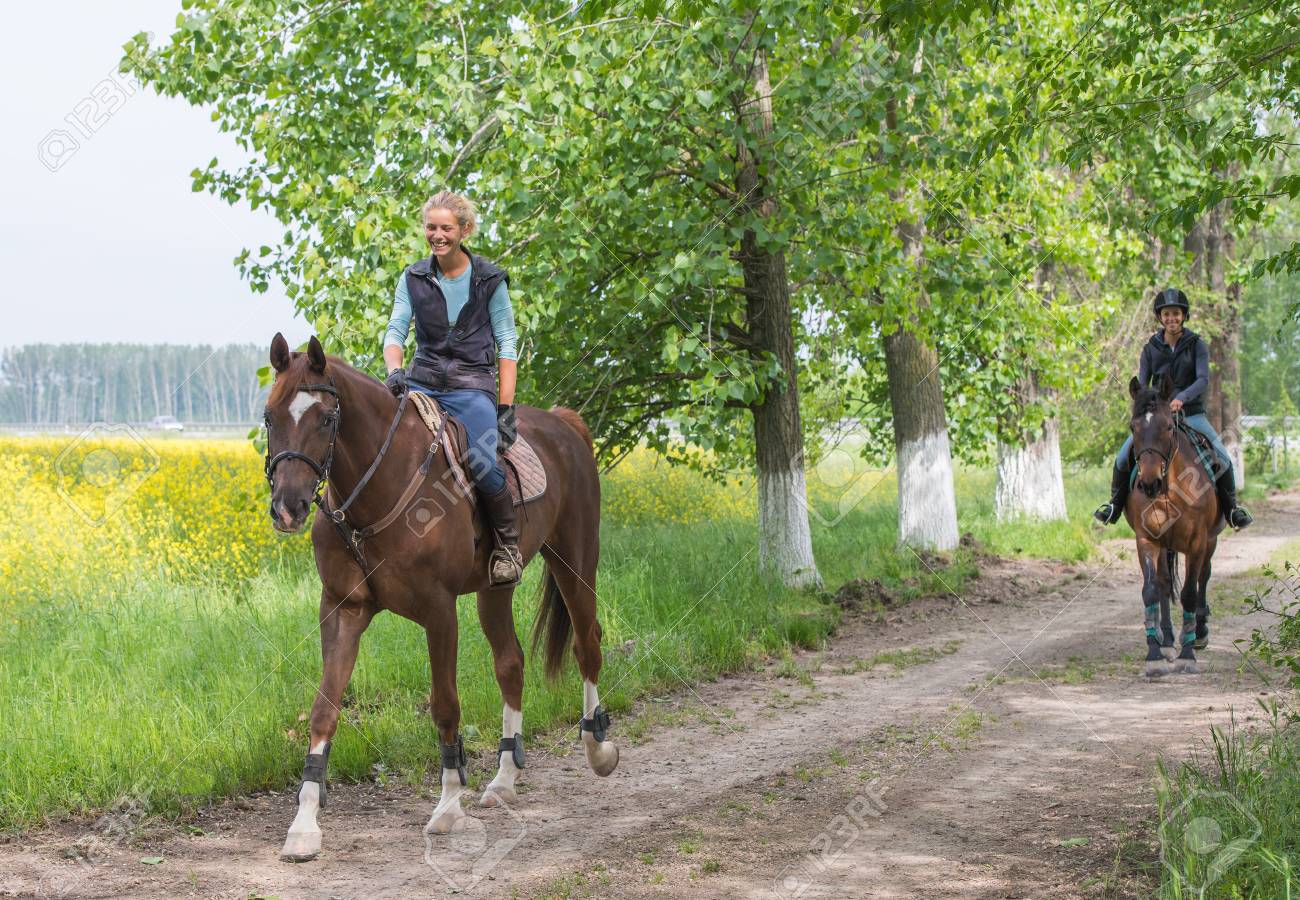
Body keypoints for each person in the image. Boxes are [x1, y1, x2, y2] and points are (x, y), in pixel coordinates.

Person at [383, 191, 524, 585]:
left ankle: (508, 547)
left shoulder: (490, 281)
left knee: (483, 462)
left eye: (446, 228)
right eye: (431, 227)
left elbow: (507, 345)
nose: (437, 235)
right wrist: (395, 370)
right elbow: (395, 331)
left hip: (471, 388)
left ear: (465, 229)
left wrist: (505, 408)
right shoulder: (412, 277)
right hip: (421, 383)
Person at [1094, 287, 1252, 530]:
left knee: (1222, 456)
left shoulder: (1196, 344)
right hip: (1159, 419)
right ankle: (1114, 506)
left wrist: (1182, 398)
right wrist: (1144, 399)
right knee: (1123, 456)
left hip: (1192, 414)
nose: (1171, 318)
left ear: (1184, 315)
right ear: (1160, 317)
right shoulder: (1150, 348)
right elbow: (1143, 382)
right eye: (1166, 314)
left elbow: (1203, 380)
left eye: (1176, 313)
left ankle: (1232, 510)